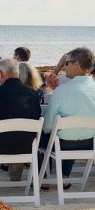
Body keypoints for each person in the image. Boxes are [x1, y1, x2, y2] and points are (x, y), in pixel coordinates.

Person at [0, 58, 41, 181]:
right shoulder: (33, 93)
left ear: (0, 73)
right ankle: (15, 177)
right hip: (27, 146)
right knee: (18, 135)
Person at [41, 47, 95, 185]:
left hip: (63, 146)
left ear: (76, 64)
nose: (65, 67)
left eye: (67, 63)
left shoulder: (62, 91)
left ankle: (45, 178)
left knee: (40, 136)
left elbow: (48, 127)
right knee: (68, 133)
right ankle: (64, 176)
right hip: (90, 145)